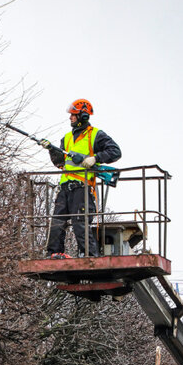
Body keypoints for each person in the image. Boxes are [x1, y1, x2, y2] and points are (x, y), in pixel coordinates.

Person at [41, 98, 121, 259]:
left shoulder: (96, 135)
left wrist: (95, 158)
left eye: (73, 115)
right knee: (57, 222)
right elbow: (60, 163)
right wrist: (51, 149)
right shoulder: (67, 138)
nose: (70, 118)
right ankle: (54, 253)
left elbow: (115, 152)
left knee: (80, 223)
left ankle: (90, 255)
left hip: (82, 187)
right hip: (65, 187)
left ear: (83, 116)